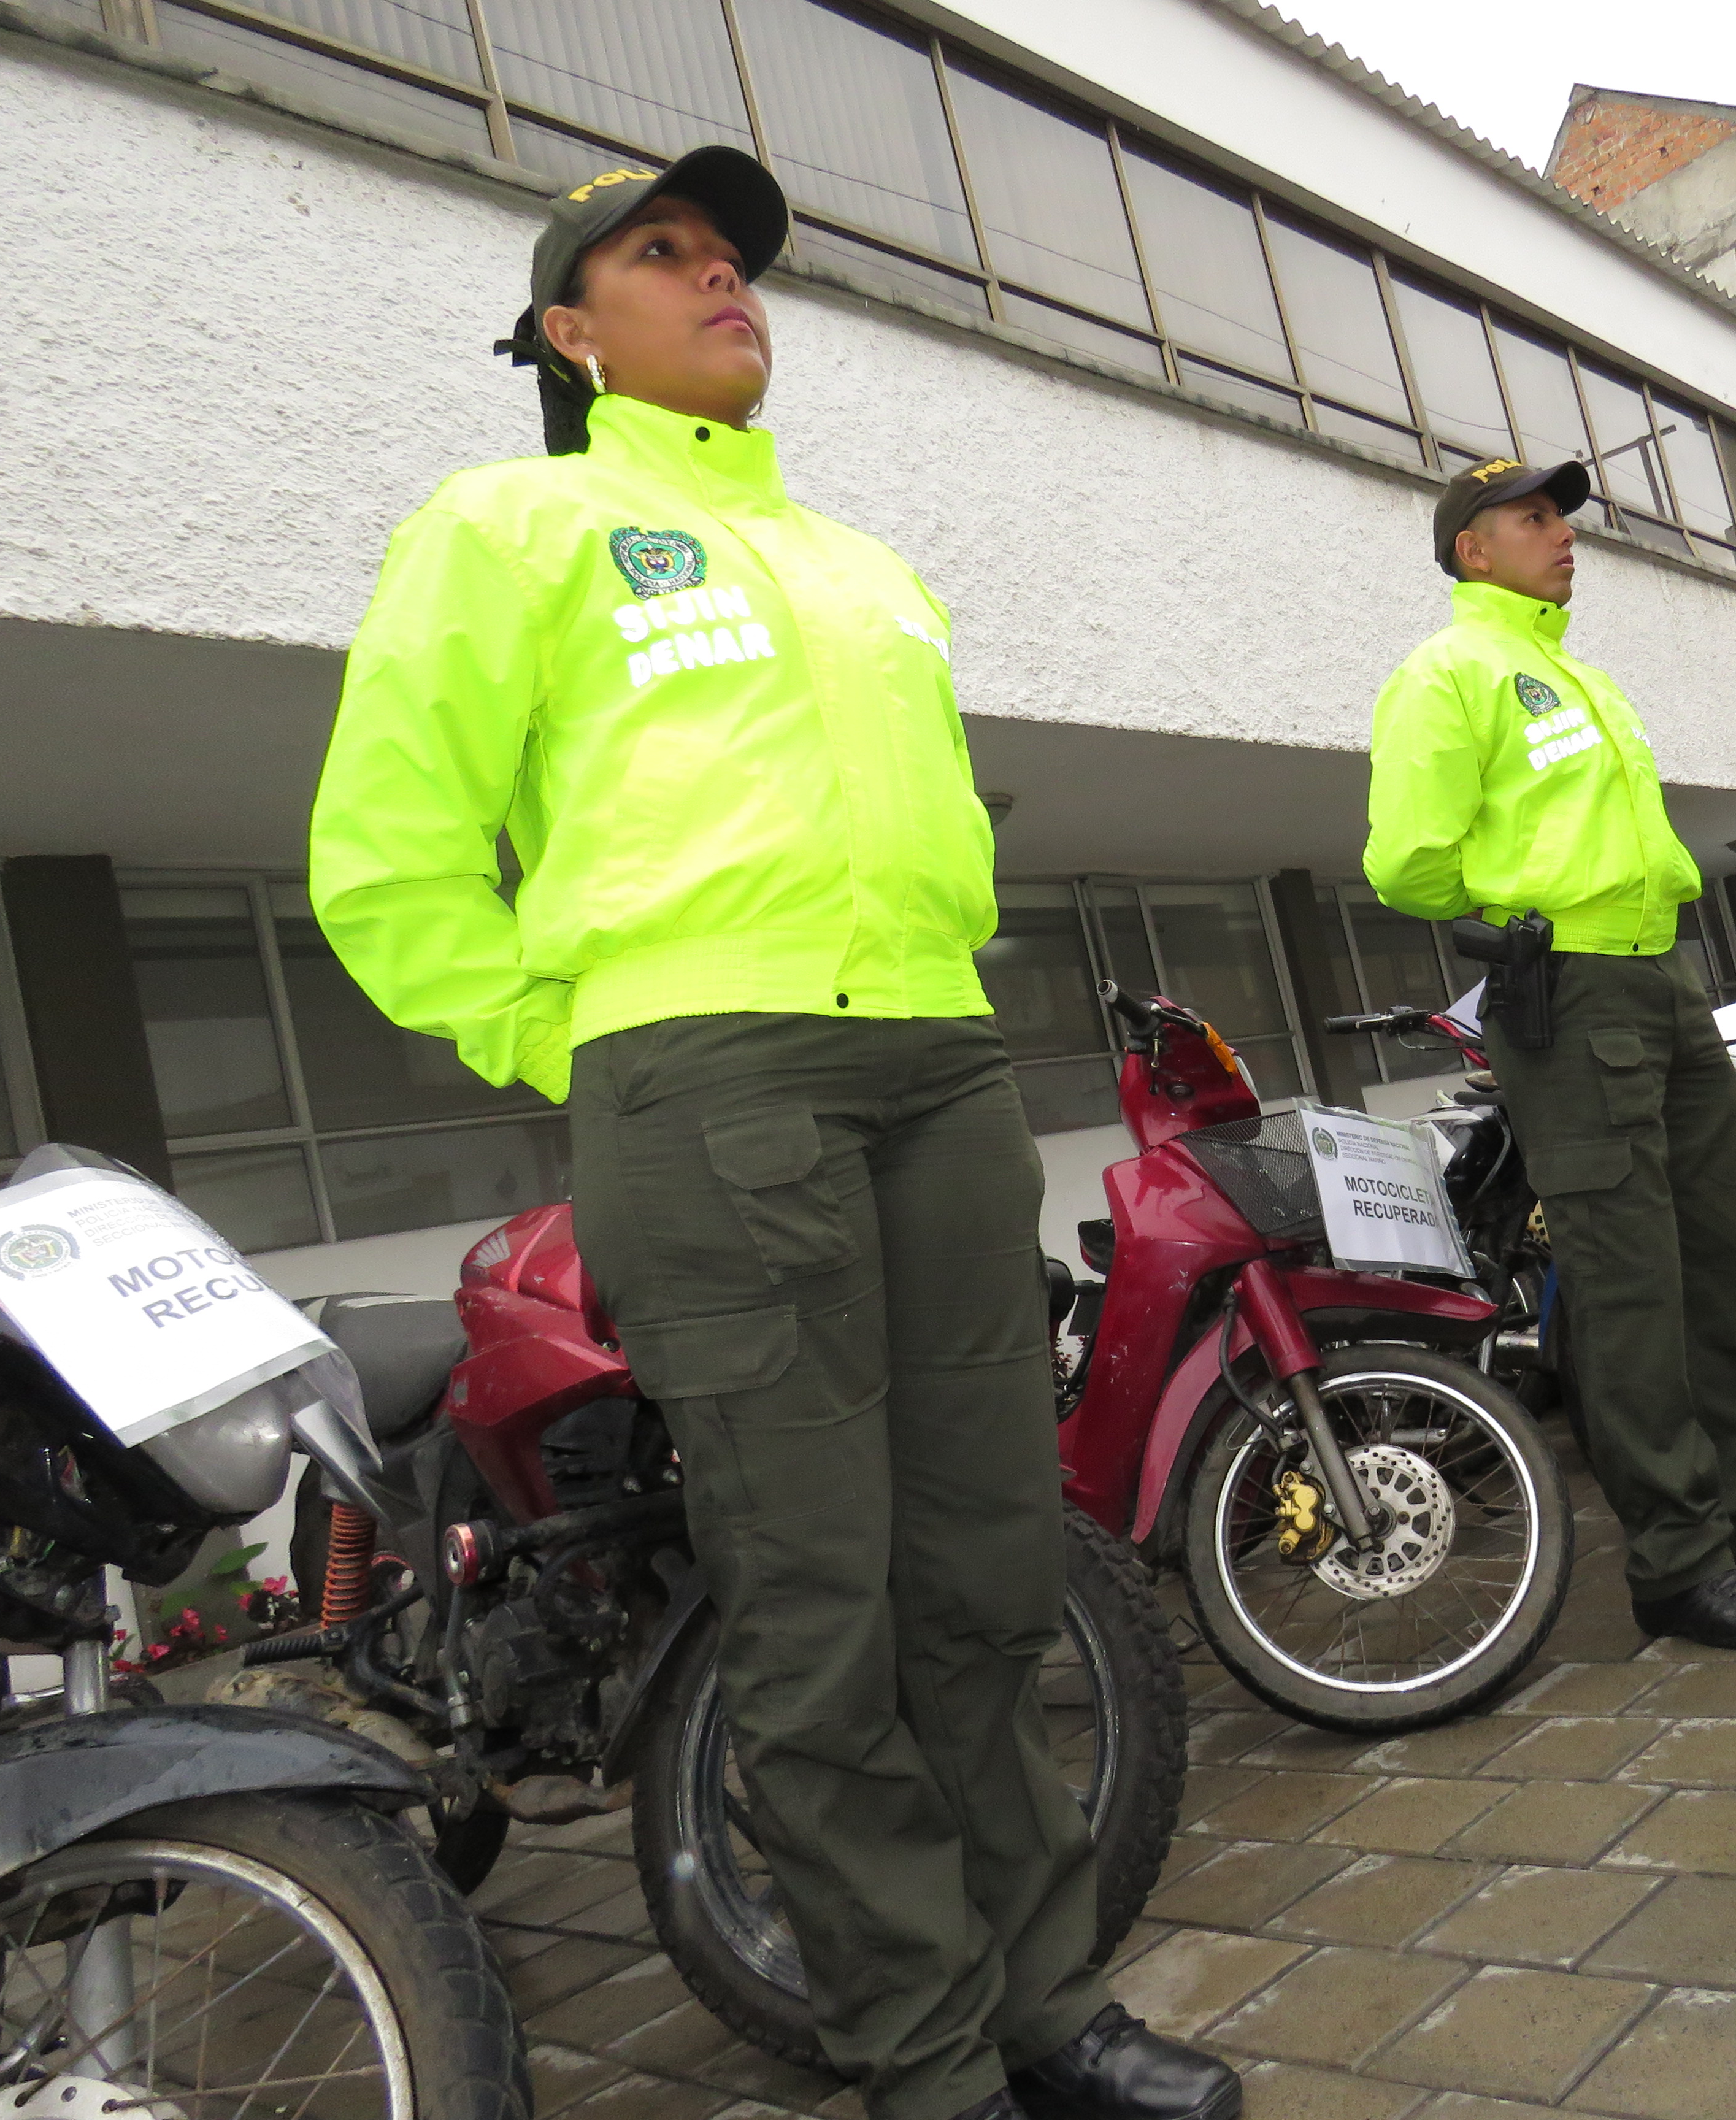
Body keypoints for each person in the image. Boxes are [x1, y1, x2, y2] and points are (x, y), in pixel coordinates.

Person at [309, 148, 1237, 2120]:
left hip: (937, 1071)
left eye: (733, 259)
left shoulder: (857, 564)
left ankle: (1046, 2004)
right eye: (667, 256)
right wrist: (590, 1035)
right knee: (814, 1609)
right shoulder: (514, 525)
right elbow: (384, 860)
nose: (725, 280)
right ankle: (924, 2057)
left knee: (991, 1573)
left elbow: (944, 827)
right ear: (575, 331)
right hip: (709, 1086)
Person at [1363, 458, 1736, 1651]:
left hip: (1662, 979)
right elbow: (1406, 860)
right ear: (1472, 551)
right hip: (1574, 992)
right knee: (1631, 1282)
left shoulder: (1576, 676)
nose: (1565, 537)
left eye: (1563, 518)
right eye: (1535, 519)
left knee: (1722, 1257)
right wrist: (1508, 923)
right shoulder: (1448, 675)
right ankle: (1677, 1561)